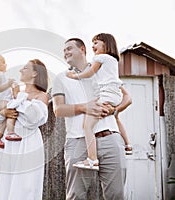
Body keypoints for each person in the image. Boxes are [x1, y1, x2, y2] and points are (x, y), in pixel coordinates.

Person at [52, 37, 132, 199]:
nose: (65, 52)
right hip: (78, 142)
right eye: (64, 50)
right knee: (77, 195)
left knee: (116, 194)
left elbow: (127, 98)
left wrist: (114, 111)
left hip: (110, 138)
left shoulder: (102, 69)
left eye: (69, 48)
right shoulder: (61, 78)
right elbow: (58, 110)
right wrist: (84, 107)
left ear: (82, 50)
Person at [66, 33, 132, 170]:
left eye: (96, 43)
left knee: (87, 126)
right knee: (115, 118)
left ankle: (92, 159)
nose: (93, 46)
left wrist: (75, 76)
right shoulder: (111, 63)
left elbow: (128, 98)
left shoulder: (100, 60)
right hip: (112, 96)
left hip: (106, 99)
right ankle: (128, 145)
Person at [0, 59, 49, 200]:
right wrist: (4, 112)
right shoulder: (12, 94)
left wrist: (18, 97)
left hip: (27, 144)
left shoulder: (42, 96)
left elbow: (33, 118)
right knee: (5, 186)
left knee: (25, 188)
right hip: (8, 144)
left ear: (35, 73)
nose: (20, 70)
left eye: (25, 68)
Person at [0, 52, 23, 149]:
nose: (6, 64)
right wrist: (8, 84)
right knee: (13, 107)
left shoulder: (1, 76)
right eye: (3, 62)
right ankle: (10, 132)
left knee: (7, 118)